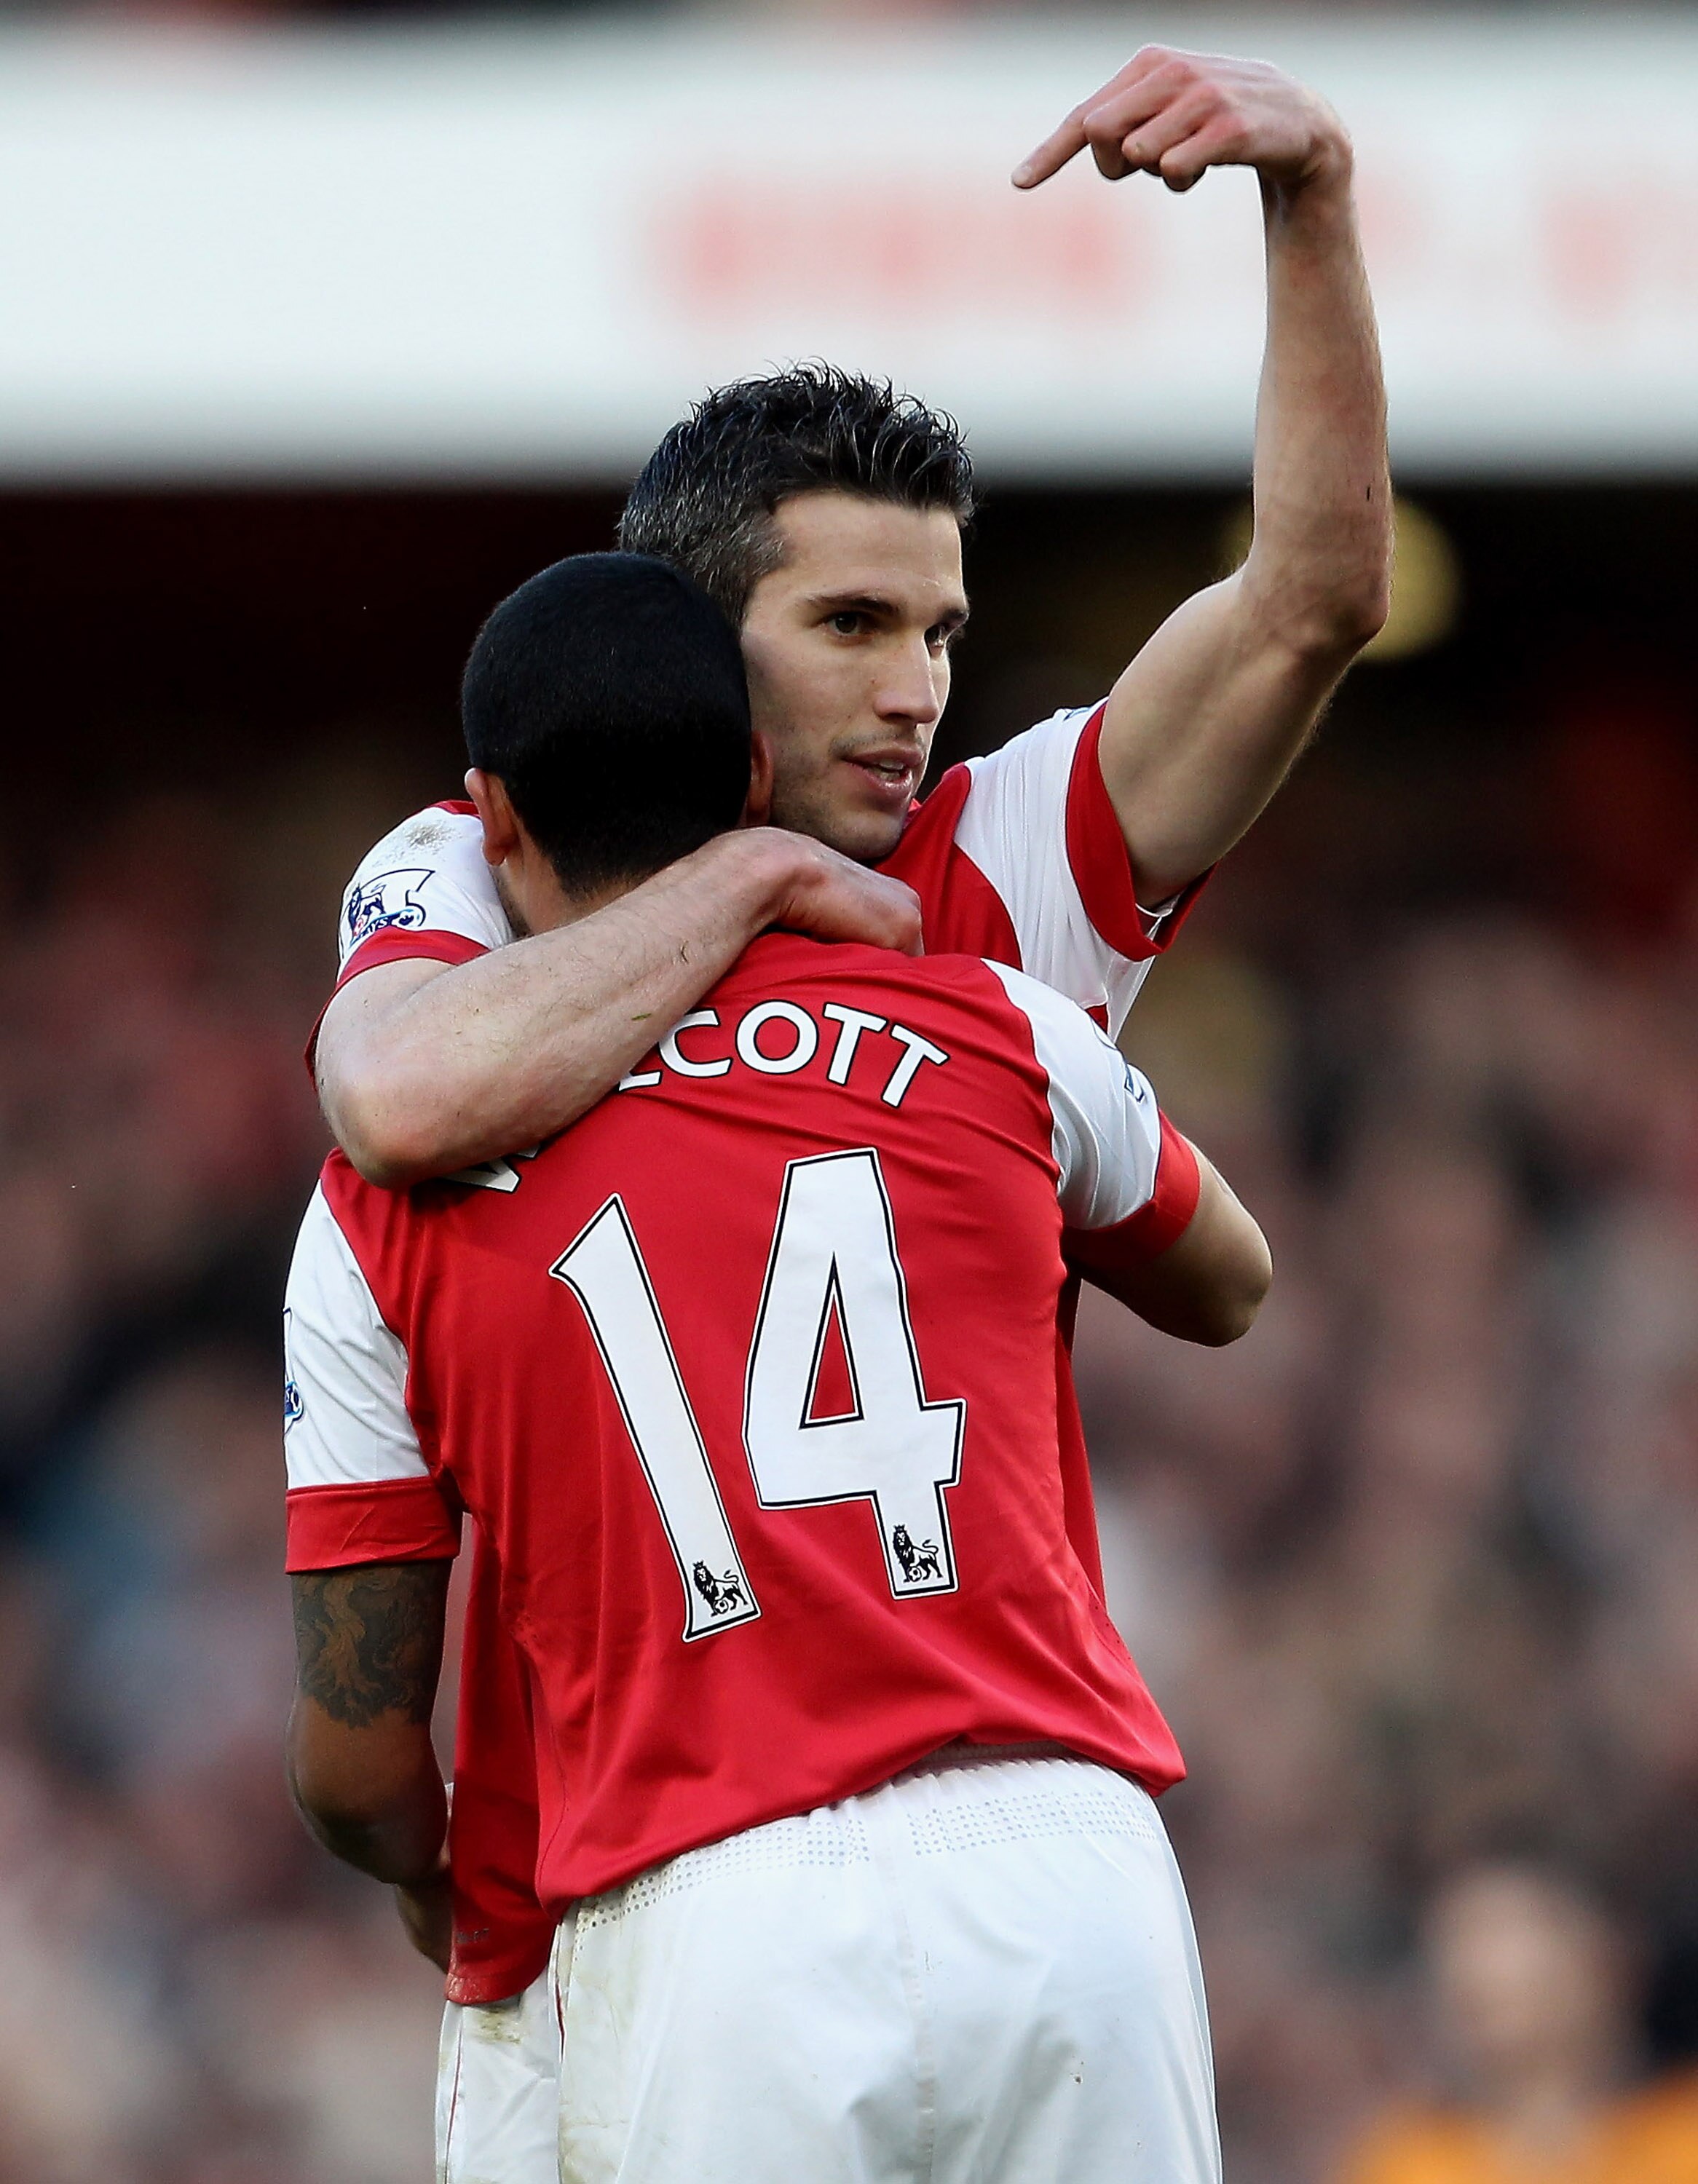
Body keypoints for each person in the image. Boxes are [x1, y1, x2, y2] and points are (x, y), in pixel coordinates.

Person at [307, 43, 1389, 2179]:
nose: (917, 685)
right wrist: (769, 884)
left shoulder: (1004, 864)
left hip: (776, 1869)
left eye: (943, 629)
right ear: (692, 645)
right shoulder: (480, 866)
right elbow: (393, 1085)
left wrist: (1320, 195)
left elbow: (1308, 600)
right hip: (579, 1896)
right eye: (854, 624)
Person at [285, 553, 1271, 2183]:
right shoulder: (989, 1023)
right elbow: (1228, 1278)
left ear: (491, 822)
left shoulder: (381, 1204)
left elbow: (355, 1757)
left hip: (714, 1898)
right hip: (1069, 1863)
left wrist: (418, 1868)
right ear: (751, 778)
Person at [1338, 1864, 1698, 2184]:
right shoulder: (1407, 2163)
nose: (1482, 1970)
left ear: (1610, 1958)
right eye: (1463, 1943)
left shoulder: (1684, 2134)